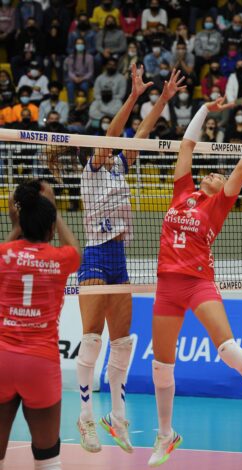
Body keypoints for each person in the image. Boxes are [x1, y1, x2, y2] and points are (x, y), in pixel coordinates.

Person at [148, 99, 242, 467]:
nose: (215, 174)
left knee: (228, 348)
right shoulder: (182, 192)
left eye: (220, 175)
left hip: (198, 282)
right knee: (161, 366)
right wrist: (204, 108)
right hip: (166, 285)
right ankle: (166, 435)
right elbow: (187, 145)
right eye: (213, 172)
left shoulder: (217, 206)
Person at [75, 65, 185, 454]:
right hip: (94, 257)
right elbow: (112, 136)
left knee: (122, 343)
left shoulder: (121, 167)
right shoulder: (92, 169)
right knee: (91, 341)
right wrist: (134, 96)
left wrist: (163, 100)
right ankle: (86, 418)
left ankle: (116, 418)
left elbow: (140, 136)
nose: (112, 150)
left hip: (119, 258)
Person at [0, 180, 80, 470]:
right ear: (49, 229)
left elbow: (10, 247)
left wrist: (21, 220)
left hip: (2, 358)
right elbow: (74, 248)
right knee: (48, 457)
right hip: (40, 363)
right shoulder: (61, 259)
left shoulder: (3, 254)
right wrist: (53, 210)